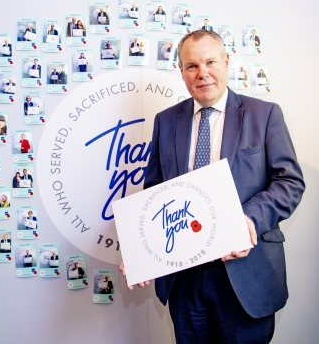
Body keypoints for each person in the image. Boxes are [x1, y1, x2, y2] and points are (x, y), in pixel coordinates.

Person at [120, 30, 305, 343]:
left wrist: (247, 220)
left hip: (245, 273)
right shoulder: (166, 122)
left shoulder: (264, 114)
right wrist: (141, 249)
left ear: (227, 61)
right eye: (192, 66)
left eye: (209, 62)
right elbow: (155, 193)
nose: (202, 73)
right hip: (185, 279)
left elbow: (289, 182)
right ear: (181, 72)